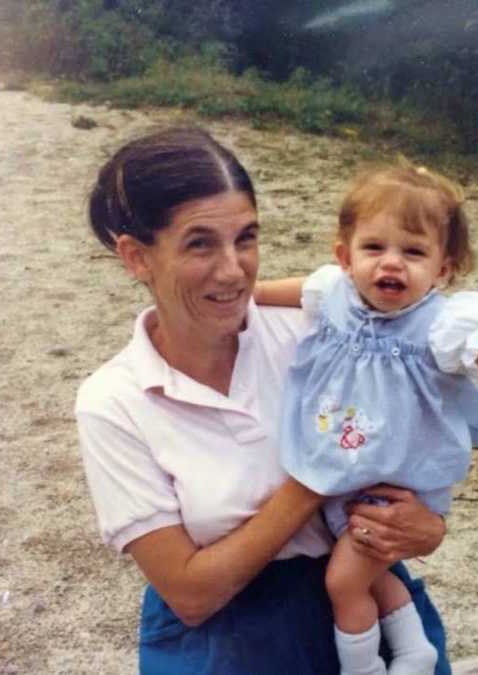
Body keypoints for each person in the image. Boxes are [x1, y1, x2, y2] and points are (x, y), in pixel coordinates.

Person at [75, 127, 452, 675]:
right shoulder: (115, 403)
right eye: (200, 243)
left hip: (360, 616)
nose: (233, 270)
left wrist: (426, 528)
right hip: (224, 647)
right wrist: (316, 476)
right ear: (136, 257)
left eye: (246, 238)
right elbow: (191, 593)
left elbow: (404, 447)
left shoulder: (313, 332)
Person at [253, 162, 478, 675]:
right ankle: (416, 651)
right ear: (345, 255)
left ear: (442, 269)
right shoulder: (333, 291)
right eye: (374, 248)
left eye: (414, 252)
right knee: (372, 571)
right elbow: (279, 291)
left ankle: (365, 669)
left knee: (344, 580)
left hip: (398, 480)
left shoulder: (442, 325)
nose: (390, 264)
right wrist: (243, 292)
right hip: (341, 466)